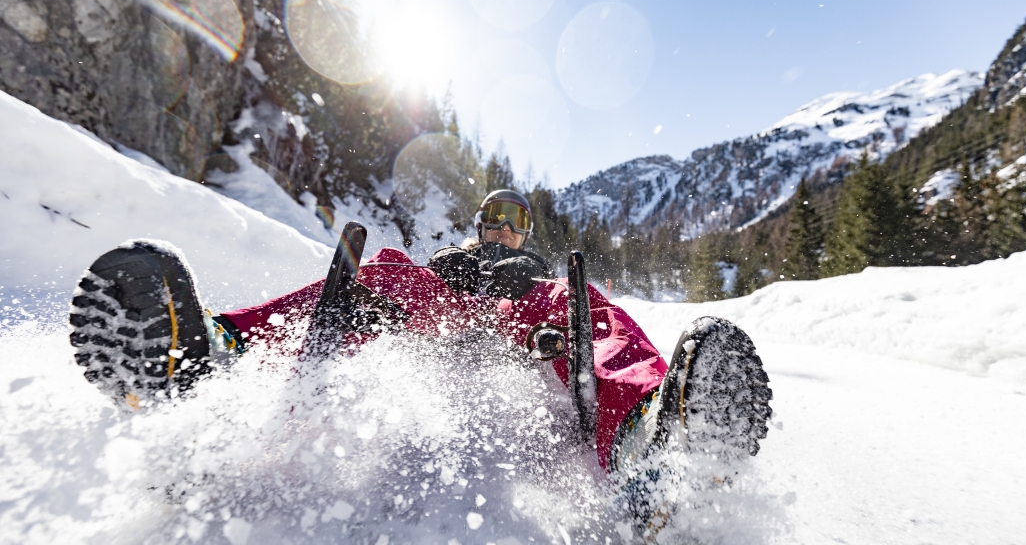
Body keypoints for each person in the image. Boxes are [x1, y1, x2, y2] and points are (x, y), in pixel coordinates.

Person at [68, 188, 772, 528]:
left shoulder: (538, 275)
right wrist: (448, 275)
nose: (500, 225)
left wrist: (531, 300)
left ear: (527, 229)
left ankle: (649, 431)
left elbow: (555, 310)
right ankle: (207, 353)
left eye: (514, 219)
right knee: (381, 270)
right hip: (444, 315)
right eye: (491, 216)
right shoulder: (456, 257)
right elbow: (416, 285)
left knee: (580, 301)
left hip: (520, 327)